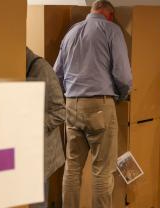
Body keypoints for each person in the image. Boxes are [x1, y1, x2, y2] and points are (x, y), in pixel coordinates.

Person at [53, 0, 132, 207]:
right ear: (110, 14)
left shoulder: (71, 33)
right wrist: (122, 95)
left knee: (72, 167)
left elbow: (56, 74)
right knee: (102, 170)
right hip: (100, 104)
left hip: (71, 104)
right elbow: (123, 75)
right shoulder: (111, 30)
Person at [26, 47, 66, 208]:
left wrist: (35, 123)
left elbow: (61, 111)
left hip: (43, 152)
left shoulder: (41, 68)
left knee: (38, 203)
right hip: (27, 149)